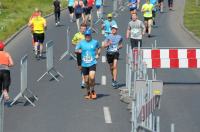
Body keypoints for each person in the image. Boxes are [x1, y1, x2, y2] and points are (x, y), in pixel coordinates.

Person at [75, 29, 101, 99]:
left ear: (90, 35)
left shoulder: (95, 42)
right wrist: (78, 50)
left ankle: (92, 90)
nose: (87, 36)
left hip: (92, 63)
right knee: (86, 80)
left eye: (88, 35)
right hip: (84, 64)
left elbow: (99, 48)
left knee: (92, 77)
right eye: (86, 35)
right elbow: (76, 49)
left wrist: (98, 54)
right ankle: (88, 92)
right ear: (85, 36)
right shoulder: (81, 42)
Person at [72, 23, 87, 88]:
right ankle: (84, 77)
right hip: (78, 53)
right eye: (82, 29)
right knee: (80, 68)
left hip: (85, 53)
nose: (83, 30)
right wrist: (77, 45)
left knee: (85, 66)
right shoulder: (77, 35)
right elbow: (73, 42)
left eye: (84, 29)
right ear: (80, 29)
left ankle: (83, 81)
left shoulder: (87, 35)